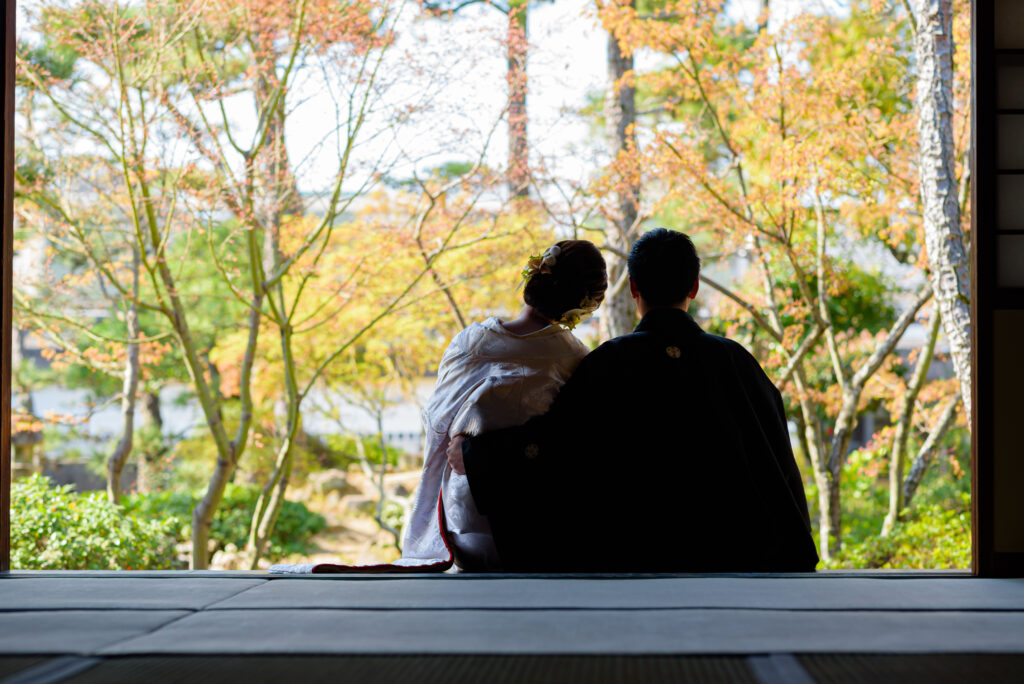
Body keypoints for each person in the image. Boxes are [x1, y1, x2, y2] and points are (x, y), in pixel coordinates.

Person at [447, 228, 820, 572]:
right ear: (693, 288)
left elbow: (556, 447)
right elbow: (780, 466)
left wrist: (476, 456)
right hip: (741, 558)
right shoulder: (738, 363)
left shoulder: (609, 363)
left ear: (634, 289)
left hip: (633, 560)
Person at [401, 239, 608, 571]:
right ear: (584, 304)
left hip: (464, 521)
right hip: (539, 524)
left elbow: (437, 421)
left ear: (535, 275)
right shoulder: (576, 359)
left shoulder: (472, 343)